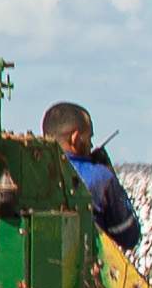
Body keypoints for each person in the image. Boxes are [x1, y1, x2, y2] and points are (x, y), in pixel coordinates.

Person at [38, 100, 144, 252]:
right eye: (89, 138)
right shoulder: (100, 177)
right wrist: (109, 172)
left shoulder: (29, 173)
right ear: (74, 138)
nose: (91, 145)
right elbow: (128, 236)